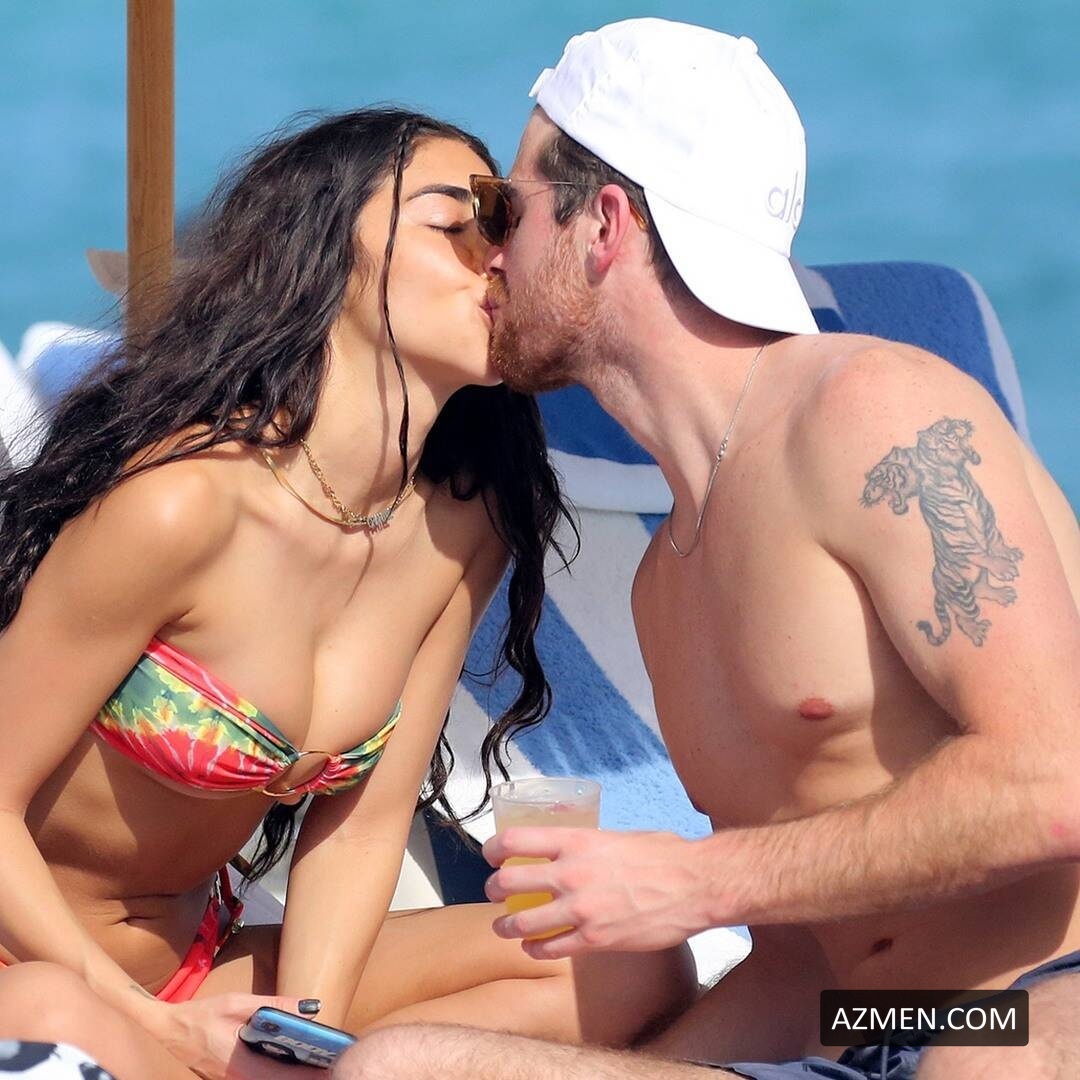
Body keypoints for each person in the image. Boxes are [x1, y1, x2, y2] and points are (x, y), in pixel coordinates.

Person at [330, 20, 1080, 1080]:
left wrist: (692, 884)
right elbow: (798, 969)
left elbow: (1058, 778)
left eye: (507, 209)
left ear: (604, 224)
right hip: (855, 1039)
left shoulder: (872, 415)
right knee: (400, 1067)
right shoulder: (668, 580)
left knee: (977, 1065)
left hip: (1024, 1008)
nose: (489, 252)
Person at [0, 108, 692, 1079]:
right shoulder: (182, 505)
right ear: (328, 250)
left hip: (200, 973)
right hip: (34, 968)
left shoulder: (459, 528)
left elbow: (362, 825)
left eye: (508, 230)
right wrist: (145, 1025)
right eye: (461, 225)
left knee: (622, 963)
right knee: (53, 1015)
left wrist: (300, 1038)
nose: (500, 259)